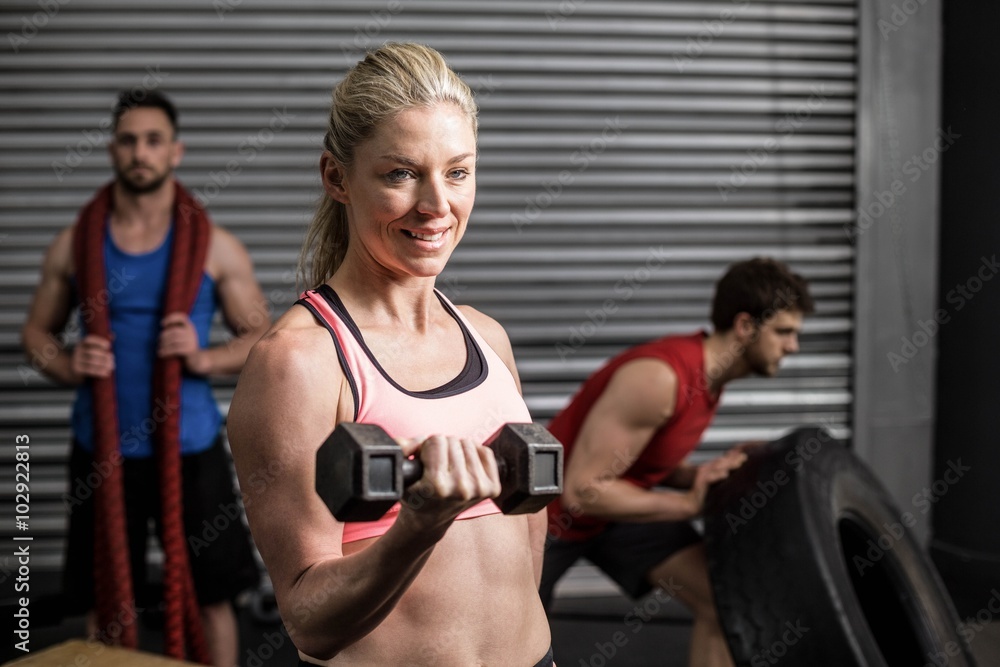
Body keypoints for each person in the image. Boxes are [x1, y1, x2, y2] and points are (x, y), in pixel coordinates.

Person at [226, 43, 553, 666]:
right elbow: (309, 623)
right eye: (401, 173)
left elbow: (527, 543)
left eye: (457, 172)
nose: (437, 206)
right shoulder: (299, 363)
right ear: (336, 177)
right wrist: (419, 526)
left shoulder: (489, 338)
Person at [21, 89, 270, 666]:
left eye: (153, 140)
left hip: (190, 448)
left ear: (175, 152)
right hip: (101, 450)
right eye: (129, 140)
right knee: (109, 599)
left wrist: (204, 357)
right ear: (112, 149)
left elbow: (263, 336)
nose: (140, 152)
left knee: (213, 595)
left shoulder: (214, 247)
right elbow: (35, 335)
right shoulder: (75, 245)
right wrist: (66, 362)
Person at [540, 257, 815, 667]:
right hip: (547, 517)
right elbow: (582, 490)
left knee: (723, 603)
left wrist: (700, 476)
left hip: (615, 513)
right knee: (516, 646)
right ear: (744, 326)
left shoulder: (711, 380)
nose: (793, 346)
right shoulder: (661, 378)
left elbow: (637, 461)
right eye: (783, 332)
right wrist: (687, 506)